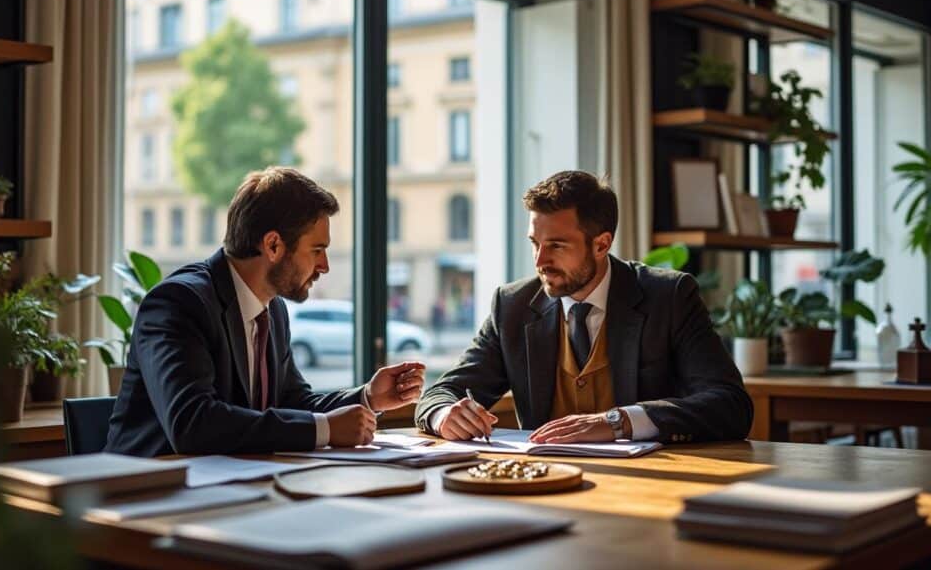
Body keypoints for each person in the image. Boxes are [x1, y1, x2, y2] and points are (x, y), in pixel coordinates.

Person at [415, 170, 752, 445]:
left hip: (647, 486)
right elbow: (443, 391)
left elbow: (730, 405)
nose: (540, 261)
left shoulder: (669, 297)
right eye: (535, 244)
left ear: (602, 244)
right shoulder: (514, 305)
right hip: (547, 483)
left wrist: (620, 422)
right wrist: (445, 415)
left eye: (557, 246)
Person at [106, 167, 425, 457]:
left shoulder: (273, 311)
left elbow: (294, 404)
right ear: (273, 245)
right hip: (147, 496)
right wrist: (324, 429)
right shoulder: (178, 303)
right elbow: (192, 424)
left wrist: (368, 397)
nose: (324, 266)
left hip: (228, 490)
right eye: (317, 250)